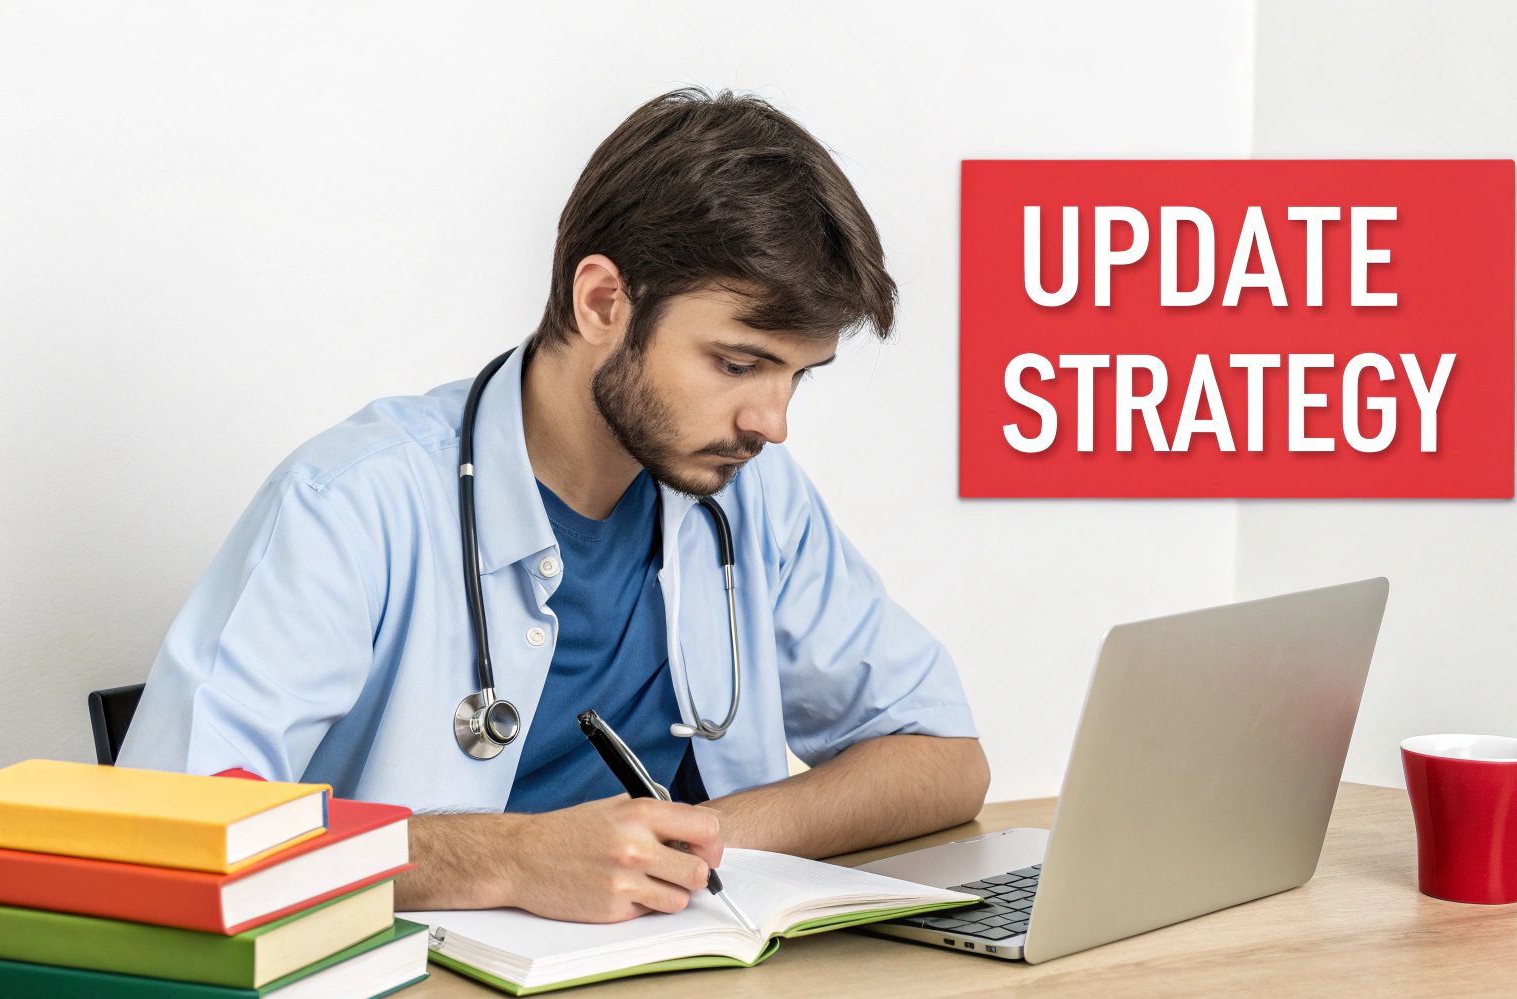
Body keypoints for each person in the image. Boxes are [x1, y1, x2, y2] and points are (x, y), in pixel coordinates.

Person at [118, 88, 988, 925]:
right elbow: (171, 834)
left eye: (797, 376)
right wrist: (509, 858)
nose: (773, 422)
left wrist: (697, 840)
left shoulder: (749, 493)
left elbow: (945, 762)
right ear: (603, 300)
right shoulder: (350, 505)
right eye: (736, 363)